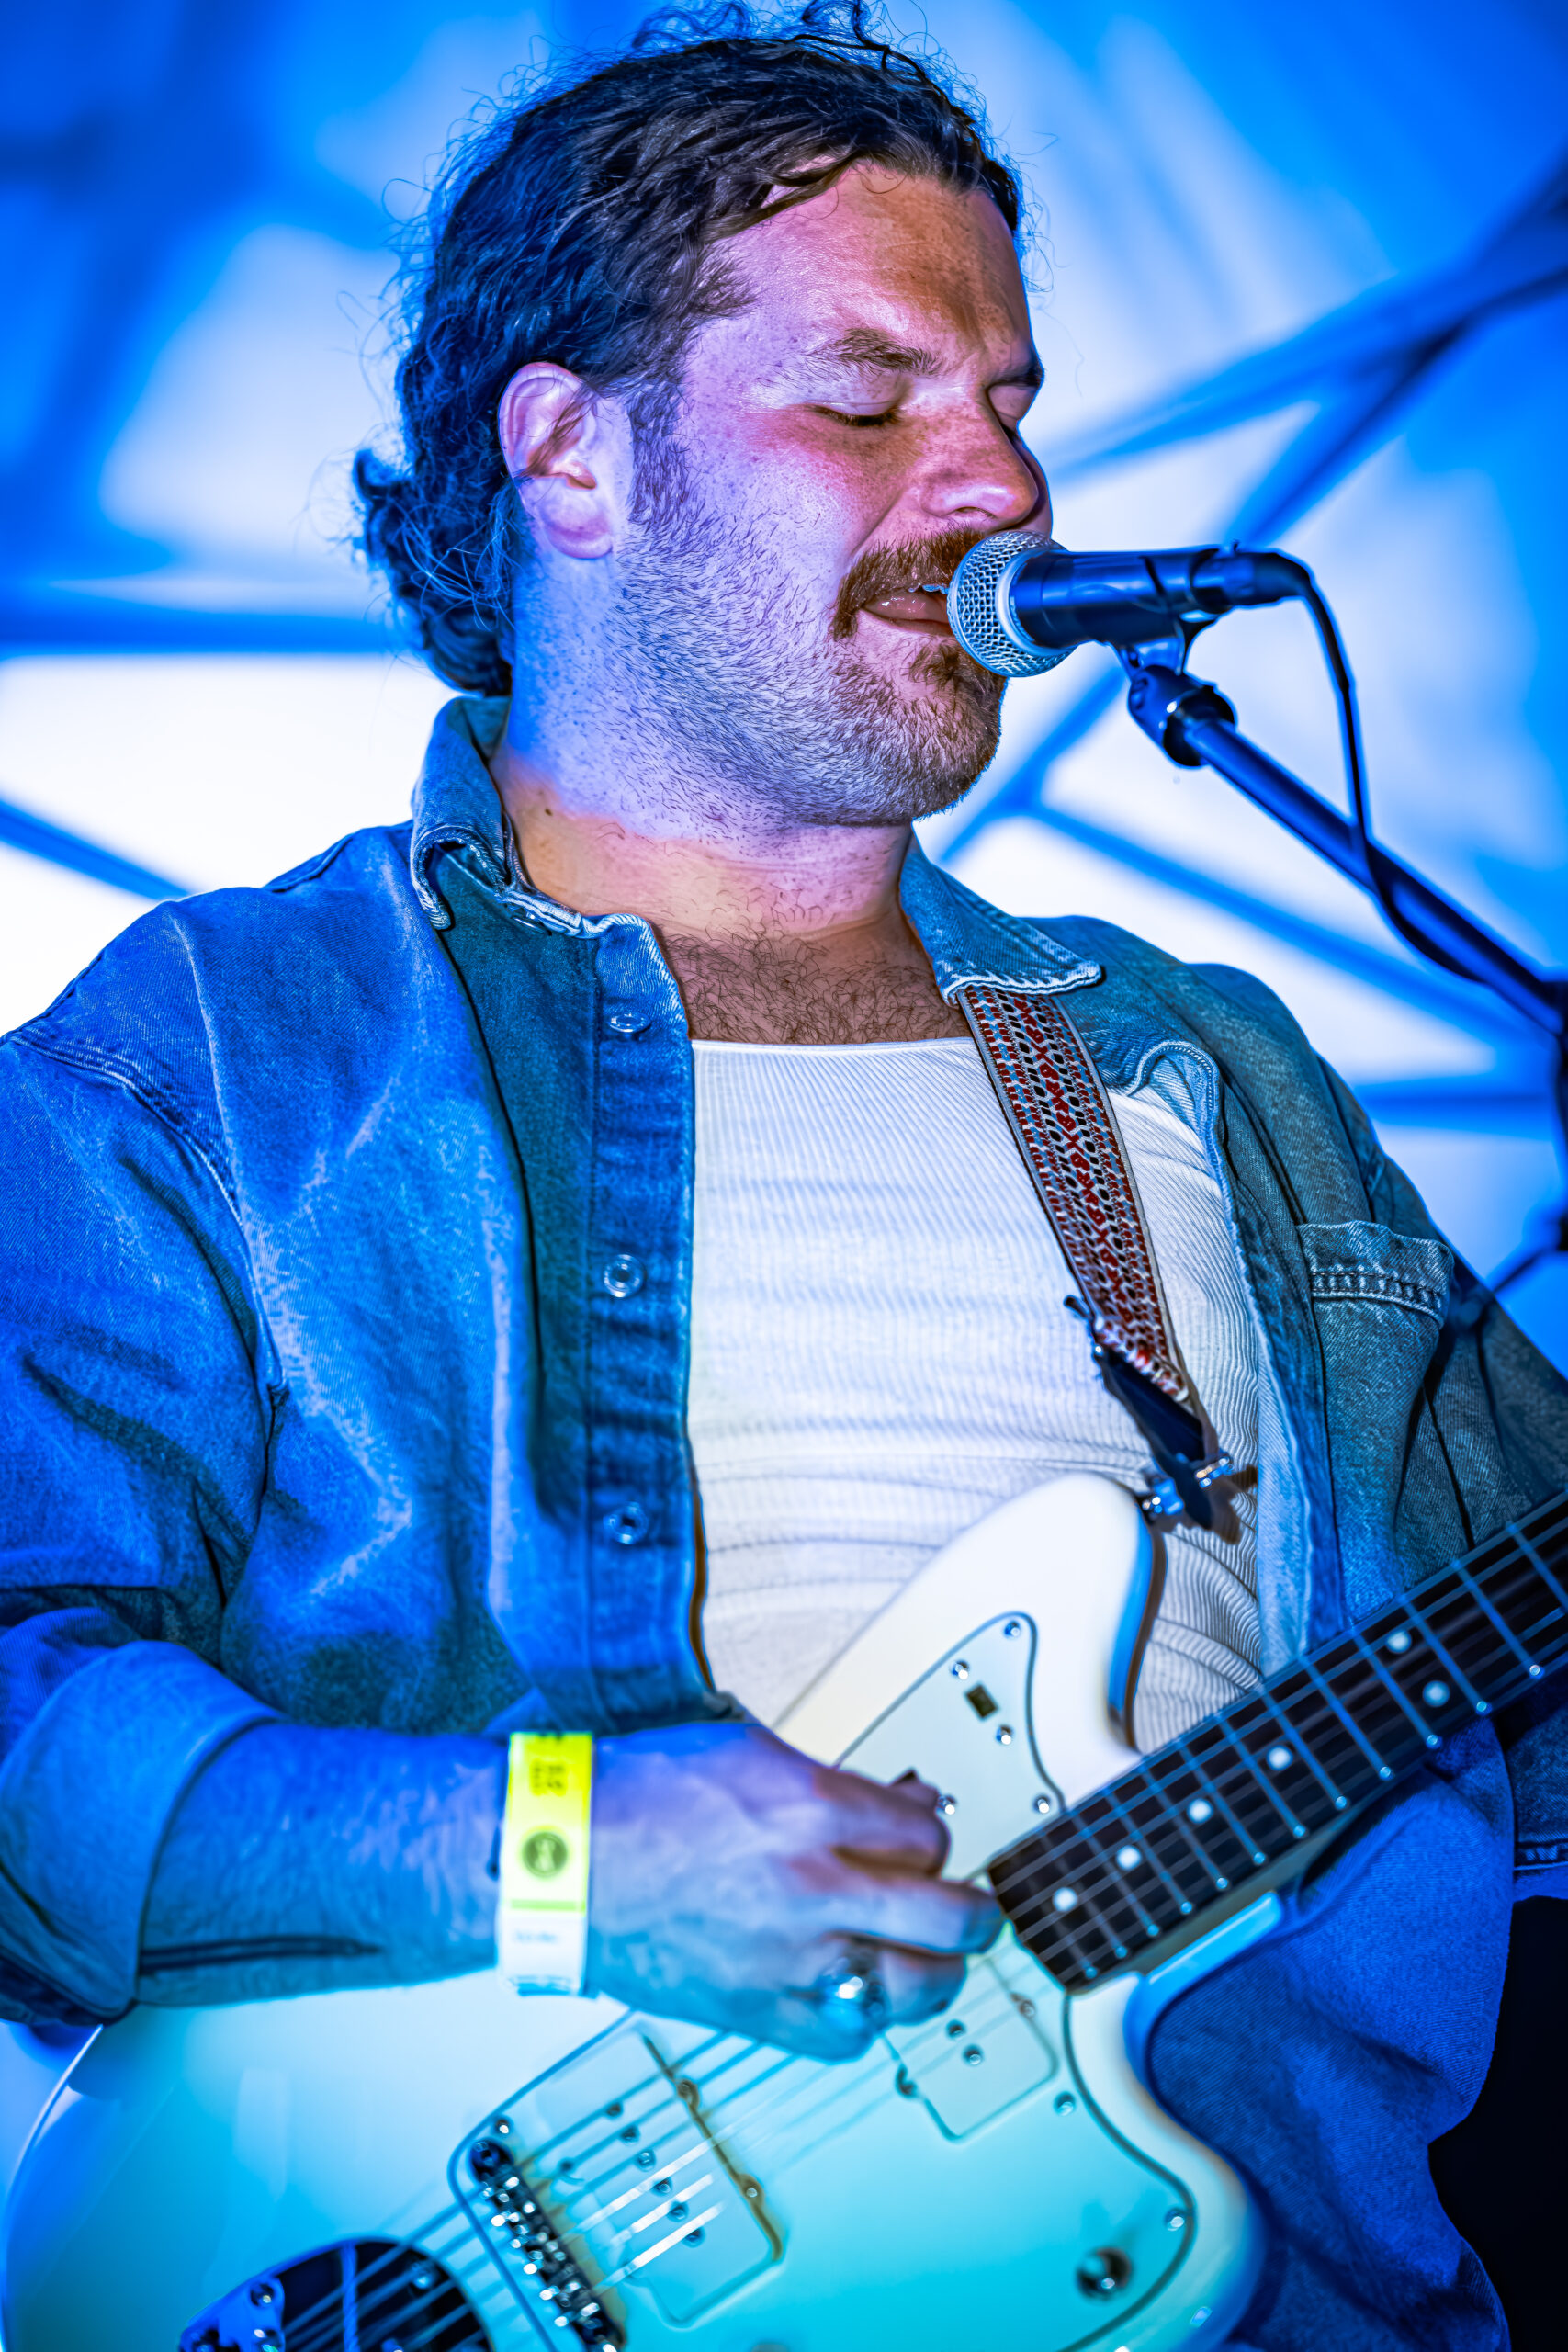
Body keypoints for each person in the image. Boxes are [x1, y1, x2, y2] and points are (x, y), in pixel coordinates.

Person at [2, 9, 1565, 2346]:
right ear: (570, 460)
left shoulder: (1207, 1069)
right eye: (868, 399)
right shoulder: (224, 1052)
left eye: (1008, 403)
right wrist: (560, 1862)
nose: (996, 489)